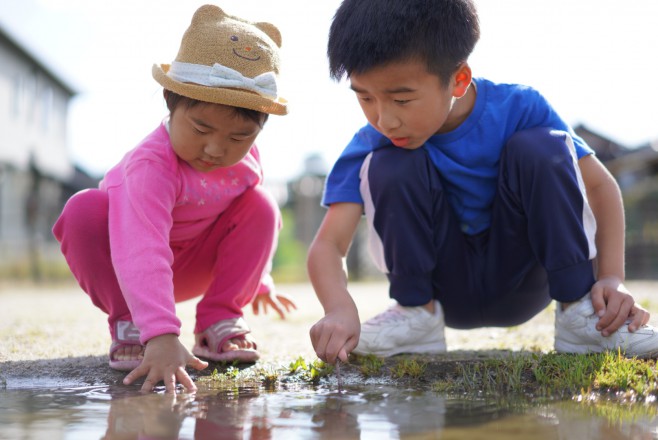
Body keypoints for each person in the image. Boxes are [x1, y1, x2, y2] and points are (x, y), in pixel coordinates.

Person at [308, 0, 658, 364]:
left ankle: (580, 316)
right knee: (390, 164)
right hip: (441, 291)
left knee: (540, 144)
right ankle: (415, 315)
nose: (384, 119)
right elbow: (329, 244)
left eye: (401, 99)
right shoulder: (371, 143)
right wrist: (338, 307)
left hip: (526, 280)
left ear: (458, 80)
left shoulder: (521, 108)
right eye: (365, 97)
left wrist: (612, 278)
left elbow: (601, 188)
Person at [53, 4, 296, 393]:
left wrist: (258, 279)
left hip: (193, 263)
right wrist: (161, 335)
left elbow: (249, 224)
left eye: (239, 137)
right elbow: (140, 248)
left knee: (263, 204)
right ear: (170, 99)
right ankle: (131, 321)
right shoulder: (152, 165)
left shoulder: (246, 162)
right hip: (127, 262)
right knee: (82, 209)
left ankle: (219, 318)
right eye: (201, 127)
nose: (216, 149)